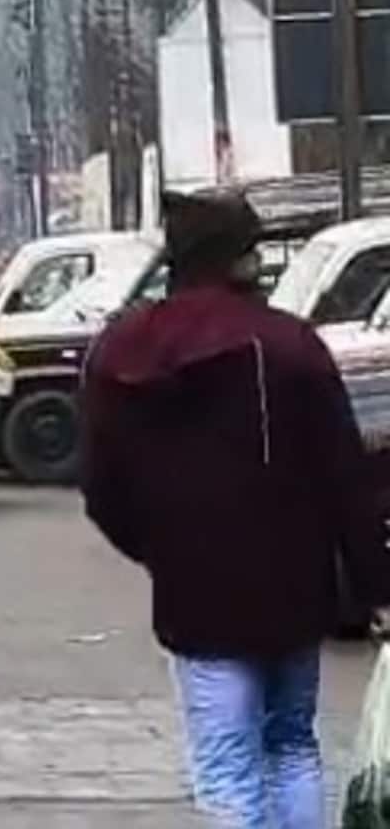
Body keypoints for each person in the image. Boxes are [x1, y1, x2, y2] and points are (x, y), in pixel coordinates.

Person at [81, 189, 390, 828]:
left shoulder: (124, 352)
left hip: (196, 599)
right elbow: (347, 480)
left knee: (226, 768)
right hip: (297, 594)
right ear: (243, 259)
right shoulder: (293, 346)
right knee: (291, 748)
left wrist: (163, 548)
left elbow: (102, 488)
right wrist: (373, 586)